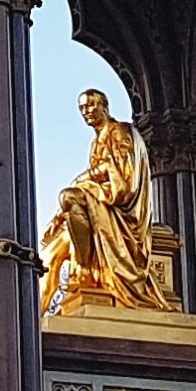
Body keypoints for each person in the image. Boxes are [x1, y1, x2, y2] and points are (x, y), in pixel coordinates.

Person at [40, 89, 162, 315]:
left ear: (104, 107)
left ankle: (85, 272)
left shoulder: (121, 131)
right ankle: (31, 322)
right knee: (49, 256)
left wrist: (86, 178)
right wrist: (58, 216)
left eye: (90, 105)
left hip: (120, 215)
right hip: (100, 210)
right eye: (81, 108)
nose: (85, 111)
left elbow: (124, 184)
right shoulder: (96, 143)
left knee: (68, 197)